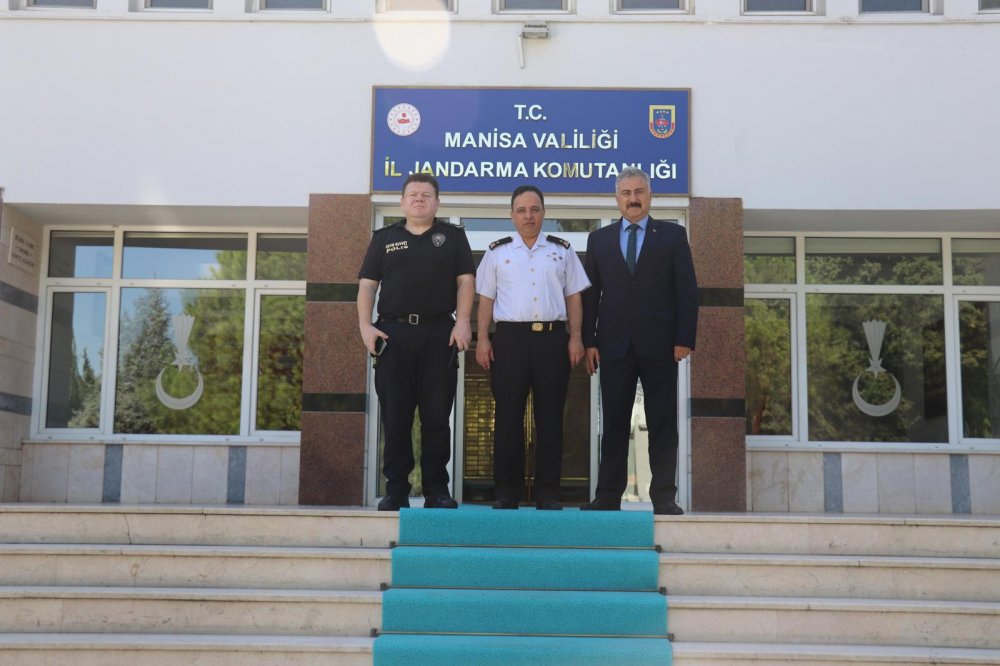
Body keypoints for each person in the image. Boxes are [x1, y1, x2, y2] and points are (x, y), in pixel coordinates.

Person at [581, 167, 698, 515]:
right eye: (626, 193)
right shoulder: (599, 240)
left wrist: (684, 338)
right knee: (614, 424)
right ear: (617, 198)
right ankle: (607, 496)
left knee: (662, 422)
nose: (633, 199)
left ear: (650, 196)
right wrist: (589, 341)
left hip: (661, 345)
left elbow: (687, 291)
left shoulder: (673, 236)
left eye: (639, 192)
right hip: (614, 345)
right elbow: (591, 296)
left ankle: (663, 497)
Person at [357, 173, 475, 511]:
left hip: (439, 335)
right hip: (393, 335)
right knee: (396, 417)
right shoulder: (384, 238)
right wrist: (365, 327)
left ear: (437, 202)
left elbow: (466, 282)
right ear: (402, 202)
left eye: (426, 194)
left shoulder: (452, 237)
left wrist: (463, 322)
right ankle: (396, 490)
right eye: (413, 194)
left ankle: (437, 489)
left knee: (436, 417)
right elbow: (367, 286)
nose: (419, 199)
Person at [475, 185, 590, 511]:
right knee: (507, 418)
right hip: (509, 341)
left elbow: (573, 297)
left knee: (550, 418)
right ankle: (506, 492)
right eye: (522, 210)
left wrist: (576, 337)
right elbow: (486, 299)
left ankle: (548, 493)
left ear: (543, 213)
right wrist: (482, 339)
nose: (529, 216)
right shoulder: (497, 252)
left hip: (552, 341)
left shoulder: (562, 250)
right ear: (511, 215)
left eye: (535, 209)